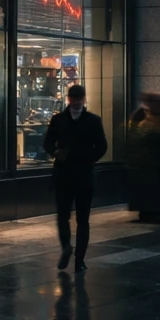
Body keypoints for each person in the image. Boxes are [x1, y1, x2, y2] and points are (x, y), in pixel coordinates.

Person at [44, 84, 107, 274]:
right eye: (75, 98)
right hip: (64, 174)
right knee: (63, 216)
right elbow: (47, 142)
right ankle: (66, 248)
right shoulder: (58, 120)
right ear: (70, 99)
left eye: (79, 98)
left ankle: (79, 257)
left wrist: (88, 158)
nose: (77, 102)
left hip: (83, 174)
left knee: (82, 219)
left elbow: (102, 146)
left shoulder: (92, 120)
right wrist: (56, 153)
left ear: (83, 99)